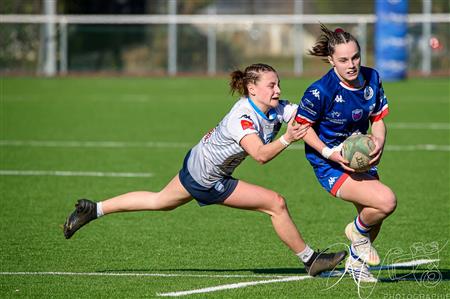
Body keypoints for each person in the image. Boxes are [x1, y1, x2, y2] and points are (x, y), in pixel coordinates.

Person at [63, 63, 346, 277]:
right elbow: (260, 155)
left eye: (278, 84)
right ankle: (311, 260)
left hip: (197, 162)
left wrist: (329, 149)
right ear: (252, 89)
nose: (278, 90)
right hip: (208, 178)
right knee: (276, 203)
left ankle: (95, 209)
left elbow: (302, 121)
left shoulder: (274, 108)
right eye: (272, 85)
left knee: (159, 200)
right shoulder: (243, 119)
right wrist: (287, 138)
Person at [294, 25, 397, 283]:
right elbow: (301, 128)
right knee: (385, 202)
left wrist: (379, 142)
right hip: (330, 164)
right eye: (343, 60)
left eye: (355, 57)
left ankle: (355, 262)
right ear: (331, 60)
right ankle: (357, 233)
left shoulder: (372, 78)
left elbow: (379, 118)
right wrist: (330, 153)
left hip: (358, 157)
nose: (351, 64)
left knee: (375, 215)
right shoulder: (321, 91)